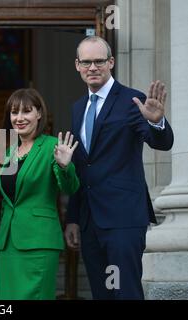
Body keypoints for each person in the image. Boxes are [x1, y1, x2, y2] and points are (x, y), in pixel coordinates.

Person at [64, 36, 174, 300]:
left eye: (99, 61)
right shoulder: (78, 108)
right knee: (103, 294)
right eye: (86, 62)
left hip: (123, 219)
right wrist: (73, 218)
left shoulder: (132, 100)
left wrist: (158, 123)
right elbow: (82, 166)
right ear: (77, 65)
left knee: (125, 293)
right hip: (91, 221)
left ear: (111, 62)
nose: (93, 67)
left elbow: (162, 143)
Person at [0, 88, 80, 300]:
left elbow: (70, 188)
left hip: (38, 243)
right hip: (8, 244)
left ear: (39, 114)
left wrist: (64, 167)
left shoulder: (52, 146)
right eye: (15, 112)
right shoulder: (9, 152)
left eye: (26, 111)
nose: (19, 118)